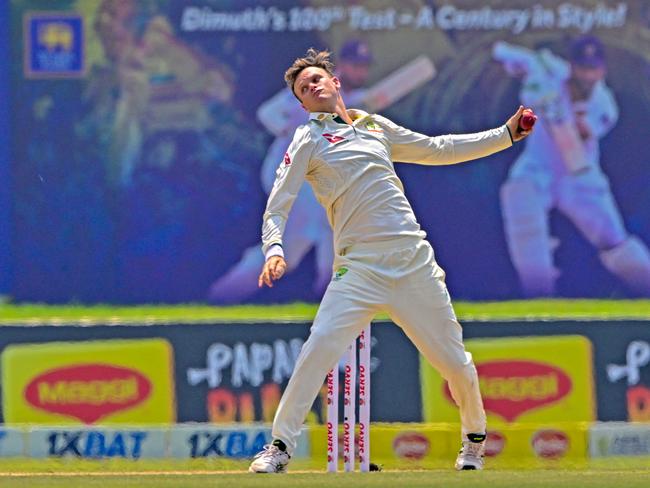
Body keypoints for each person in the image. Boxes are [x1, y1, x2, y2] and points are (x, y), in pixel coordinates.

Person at [246, 48, 532, 473]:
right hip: (358, 269)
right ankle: (279, 448)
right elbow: (278, 204)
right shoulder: (306, 138)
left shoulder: (374, 126)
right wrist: (274, 249)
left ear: (335, 83)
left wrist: (505, 135)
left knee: (455, 364)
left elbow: (438, 148)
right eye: (303, 88)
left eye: (316, 79)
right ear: (302, 104)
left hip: (413, 262)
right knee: (318, 348)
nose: (311, 86)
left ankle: (473, 440)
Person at [208, 40, 373, 304]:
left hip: (313, 178)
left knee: (307, 245)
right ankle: (225, 295)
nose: (360, 72)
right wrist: (289, 129)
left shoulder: (354, 99)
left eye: (363, 66)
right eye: (355, 66)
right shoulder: (318, 85)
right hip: (289, 175)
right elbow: (267, 113)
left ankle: (224, 294)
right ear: (342, 65)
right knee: (311, 234)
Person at [494, 35, 650, 297]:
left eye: (593, 69)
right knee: (519, 200)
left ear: (602, 70)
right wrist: (526, 74)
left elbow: (578, 137)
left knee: (614, 241)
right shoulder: (548, 72)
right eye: (583, 68)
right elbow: (504, 55)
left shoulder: (604, 105)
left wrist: (556, 110)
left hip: (579, 178)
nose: (588, 75)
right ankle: (538, 300)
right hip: (537, 169)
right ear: (572, 66)